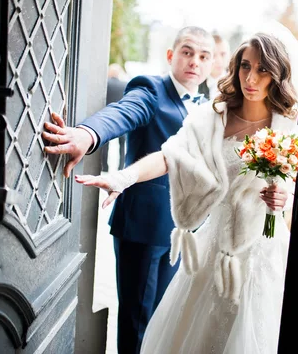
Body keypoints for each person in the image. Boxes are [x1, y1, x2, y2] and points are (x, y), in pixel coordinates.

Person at [74, 30, 298, 354]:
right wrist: (124, 177)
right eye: (245, 66)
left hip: (264, 250)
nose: (251, 78)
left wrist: (285, 199)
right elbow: (170, 156)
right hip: (215, 244)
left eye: (263, 69)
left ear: (277, 74)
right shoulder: (218, 115)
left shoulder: (288, 123)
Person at [42, 26, 217, 354]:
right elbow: (121, 113)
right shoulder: (151, 90)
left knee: (163, 318)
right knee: (137, 321)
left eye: (204, 56)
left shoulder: (207, 107)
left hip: (183, 231)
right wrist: (88, 133)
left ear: (210, 65)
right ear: (171, 55)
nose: (195, 61)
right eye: (187, 52)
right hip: (143, 226)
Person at [102, 63, 129, 172]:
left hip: (107, 118)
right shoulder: (125, 85)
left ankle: (105, 166)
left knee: (105, 144)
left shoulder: (106, 84)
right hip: (122, 119)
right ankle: (121, 166)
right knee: (122, 144)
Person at [197, 32, 231, 100]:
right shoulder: (196, 83)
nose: (218, 60)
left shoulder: (235, 82)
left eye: (223, 54)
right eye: (214, 55)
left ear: (229, 56)